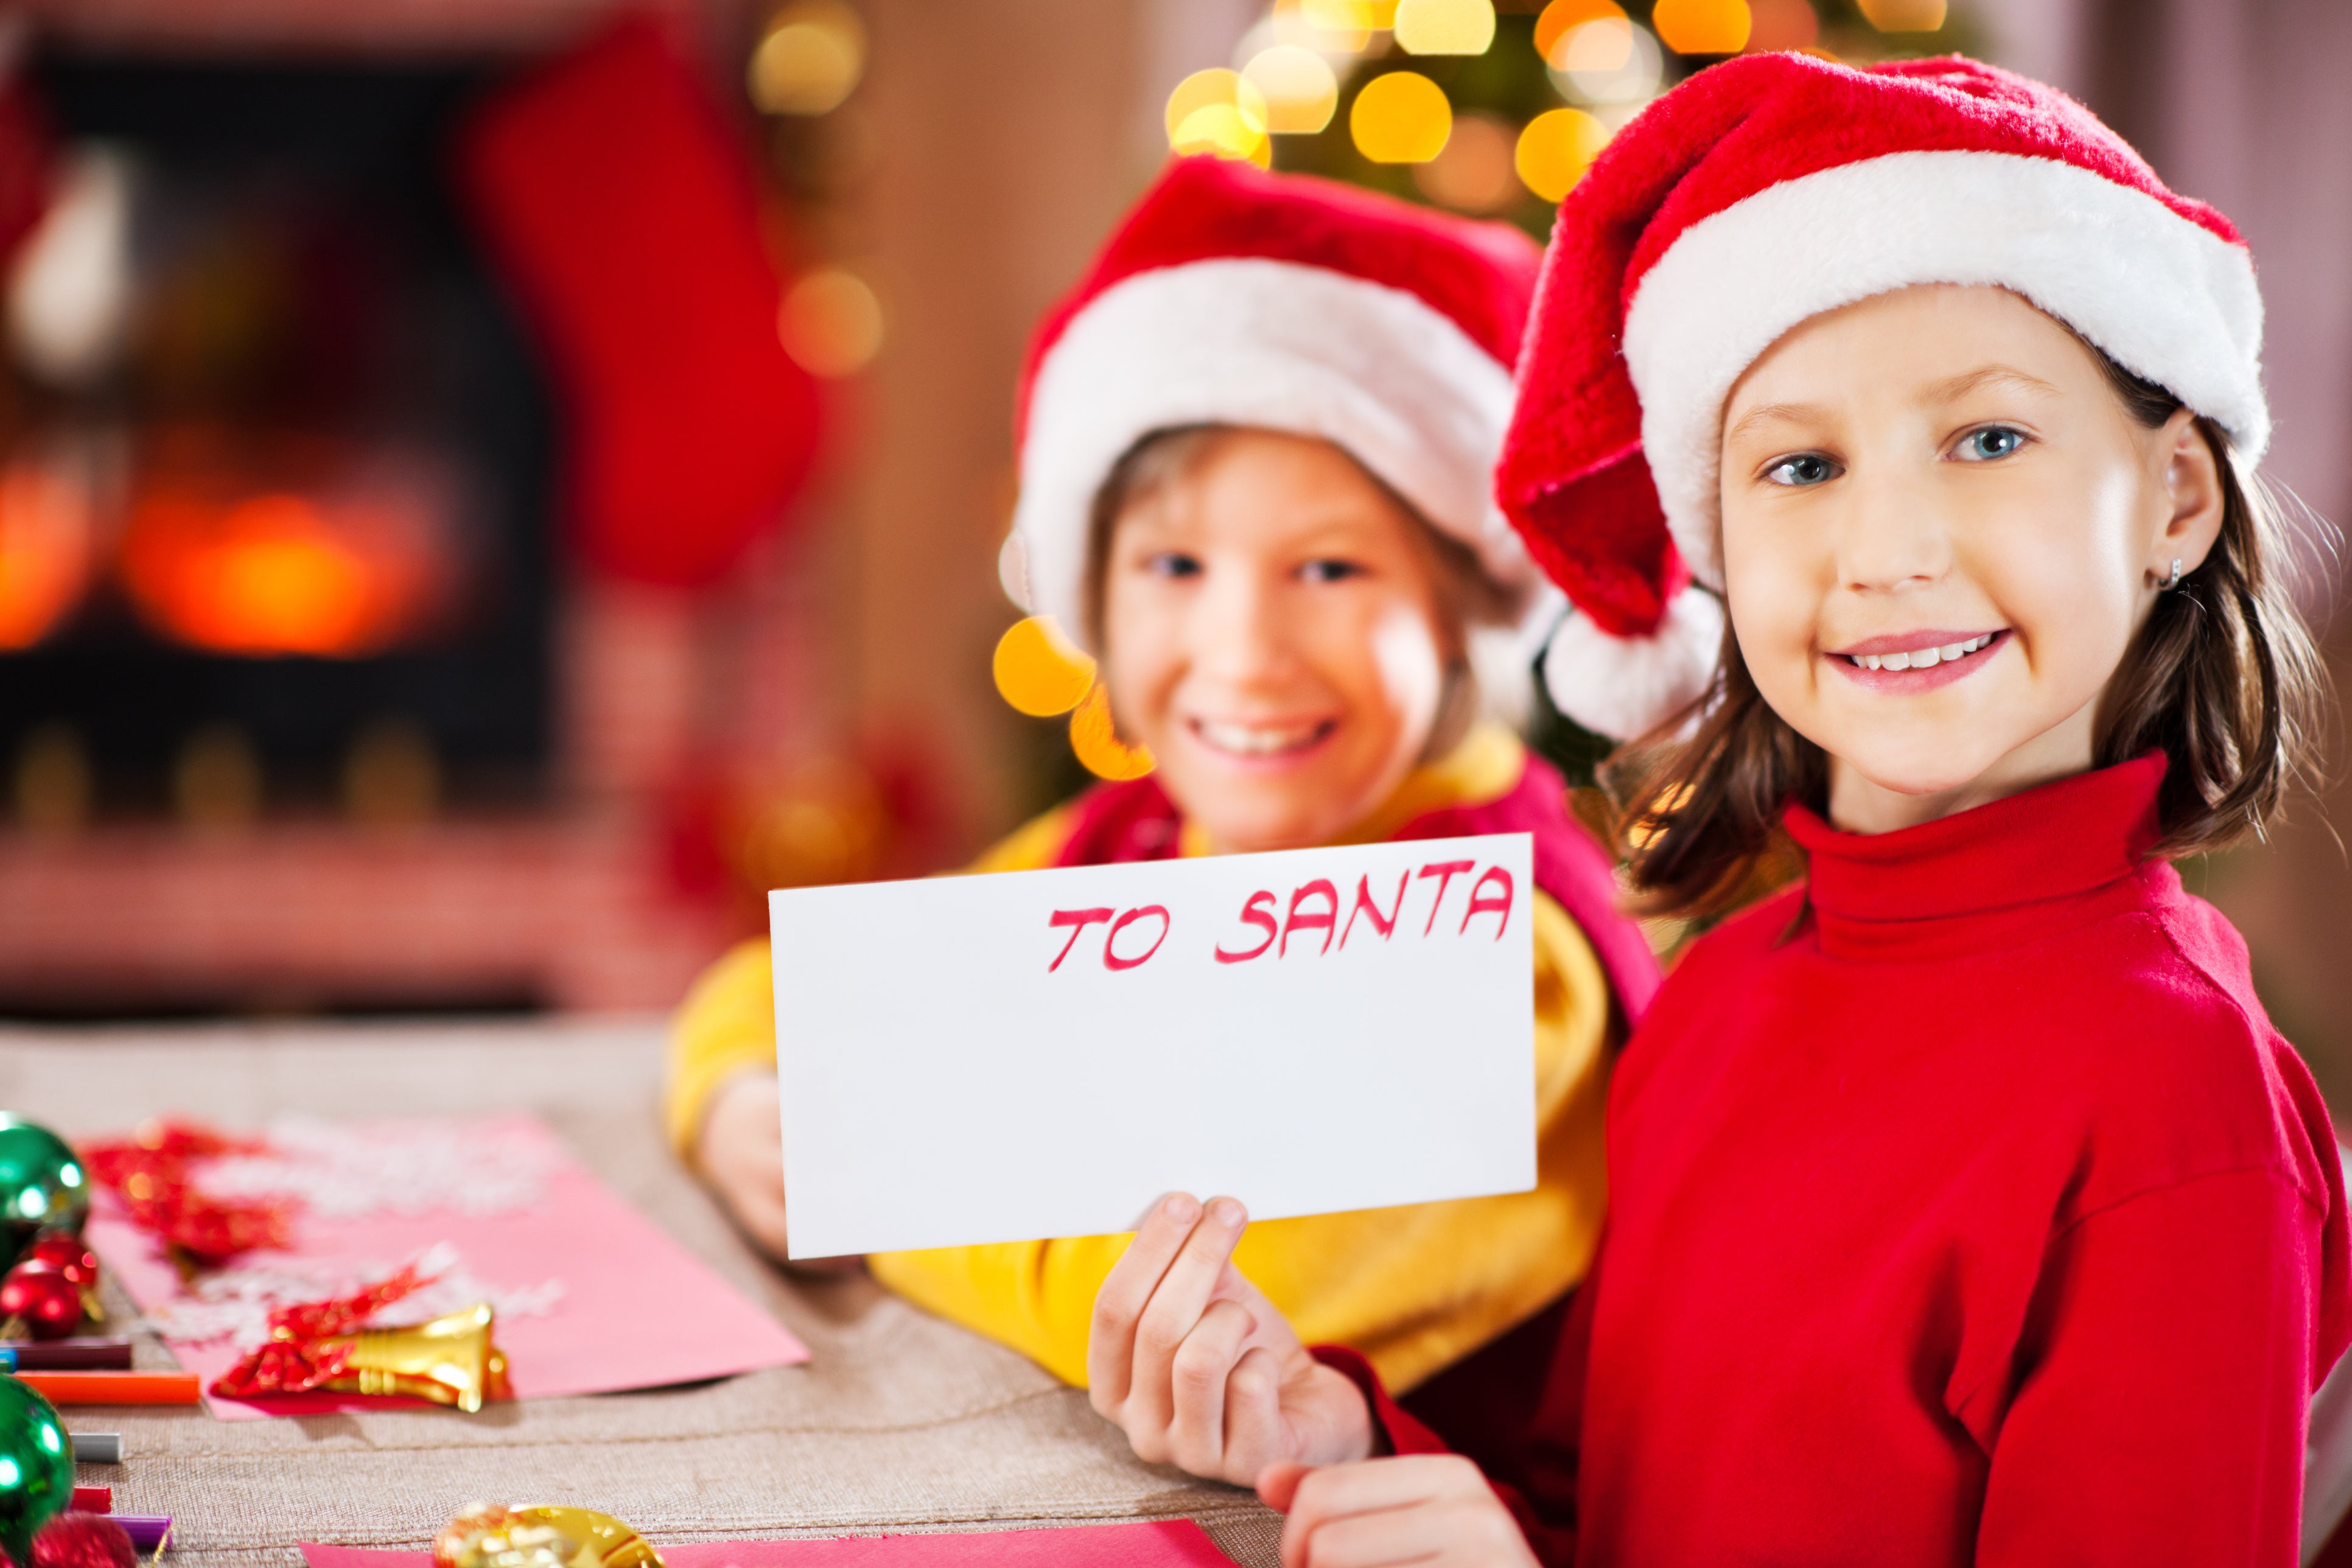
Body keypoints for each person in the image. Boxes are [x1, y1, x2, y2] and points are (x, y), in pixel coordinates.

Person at [1088, 55, 2351, 1567]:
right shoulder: (1719, 998)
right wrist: (1340, 1433)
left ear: (2175, 502)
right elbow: (1593, 1499)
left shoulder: (2175, 1105)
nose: (1883, 549)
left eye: (1989, 438)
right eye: (1801, 466)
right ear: (1721, 545)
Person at [667, 154, 1662, 1398]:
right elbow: (789, 991)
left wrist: (855, 1160)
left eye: (1330, 569)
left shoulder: (1510, 955)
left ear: (1461, 603)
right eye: (1175, 568)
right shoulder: (1133, 838)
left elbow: (1177, 1319)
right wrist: (744, 1102)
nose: (1243, 655)